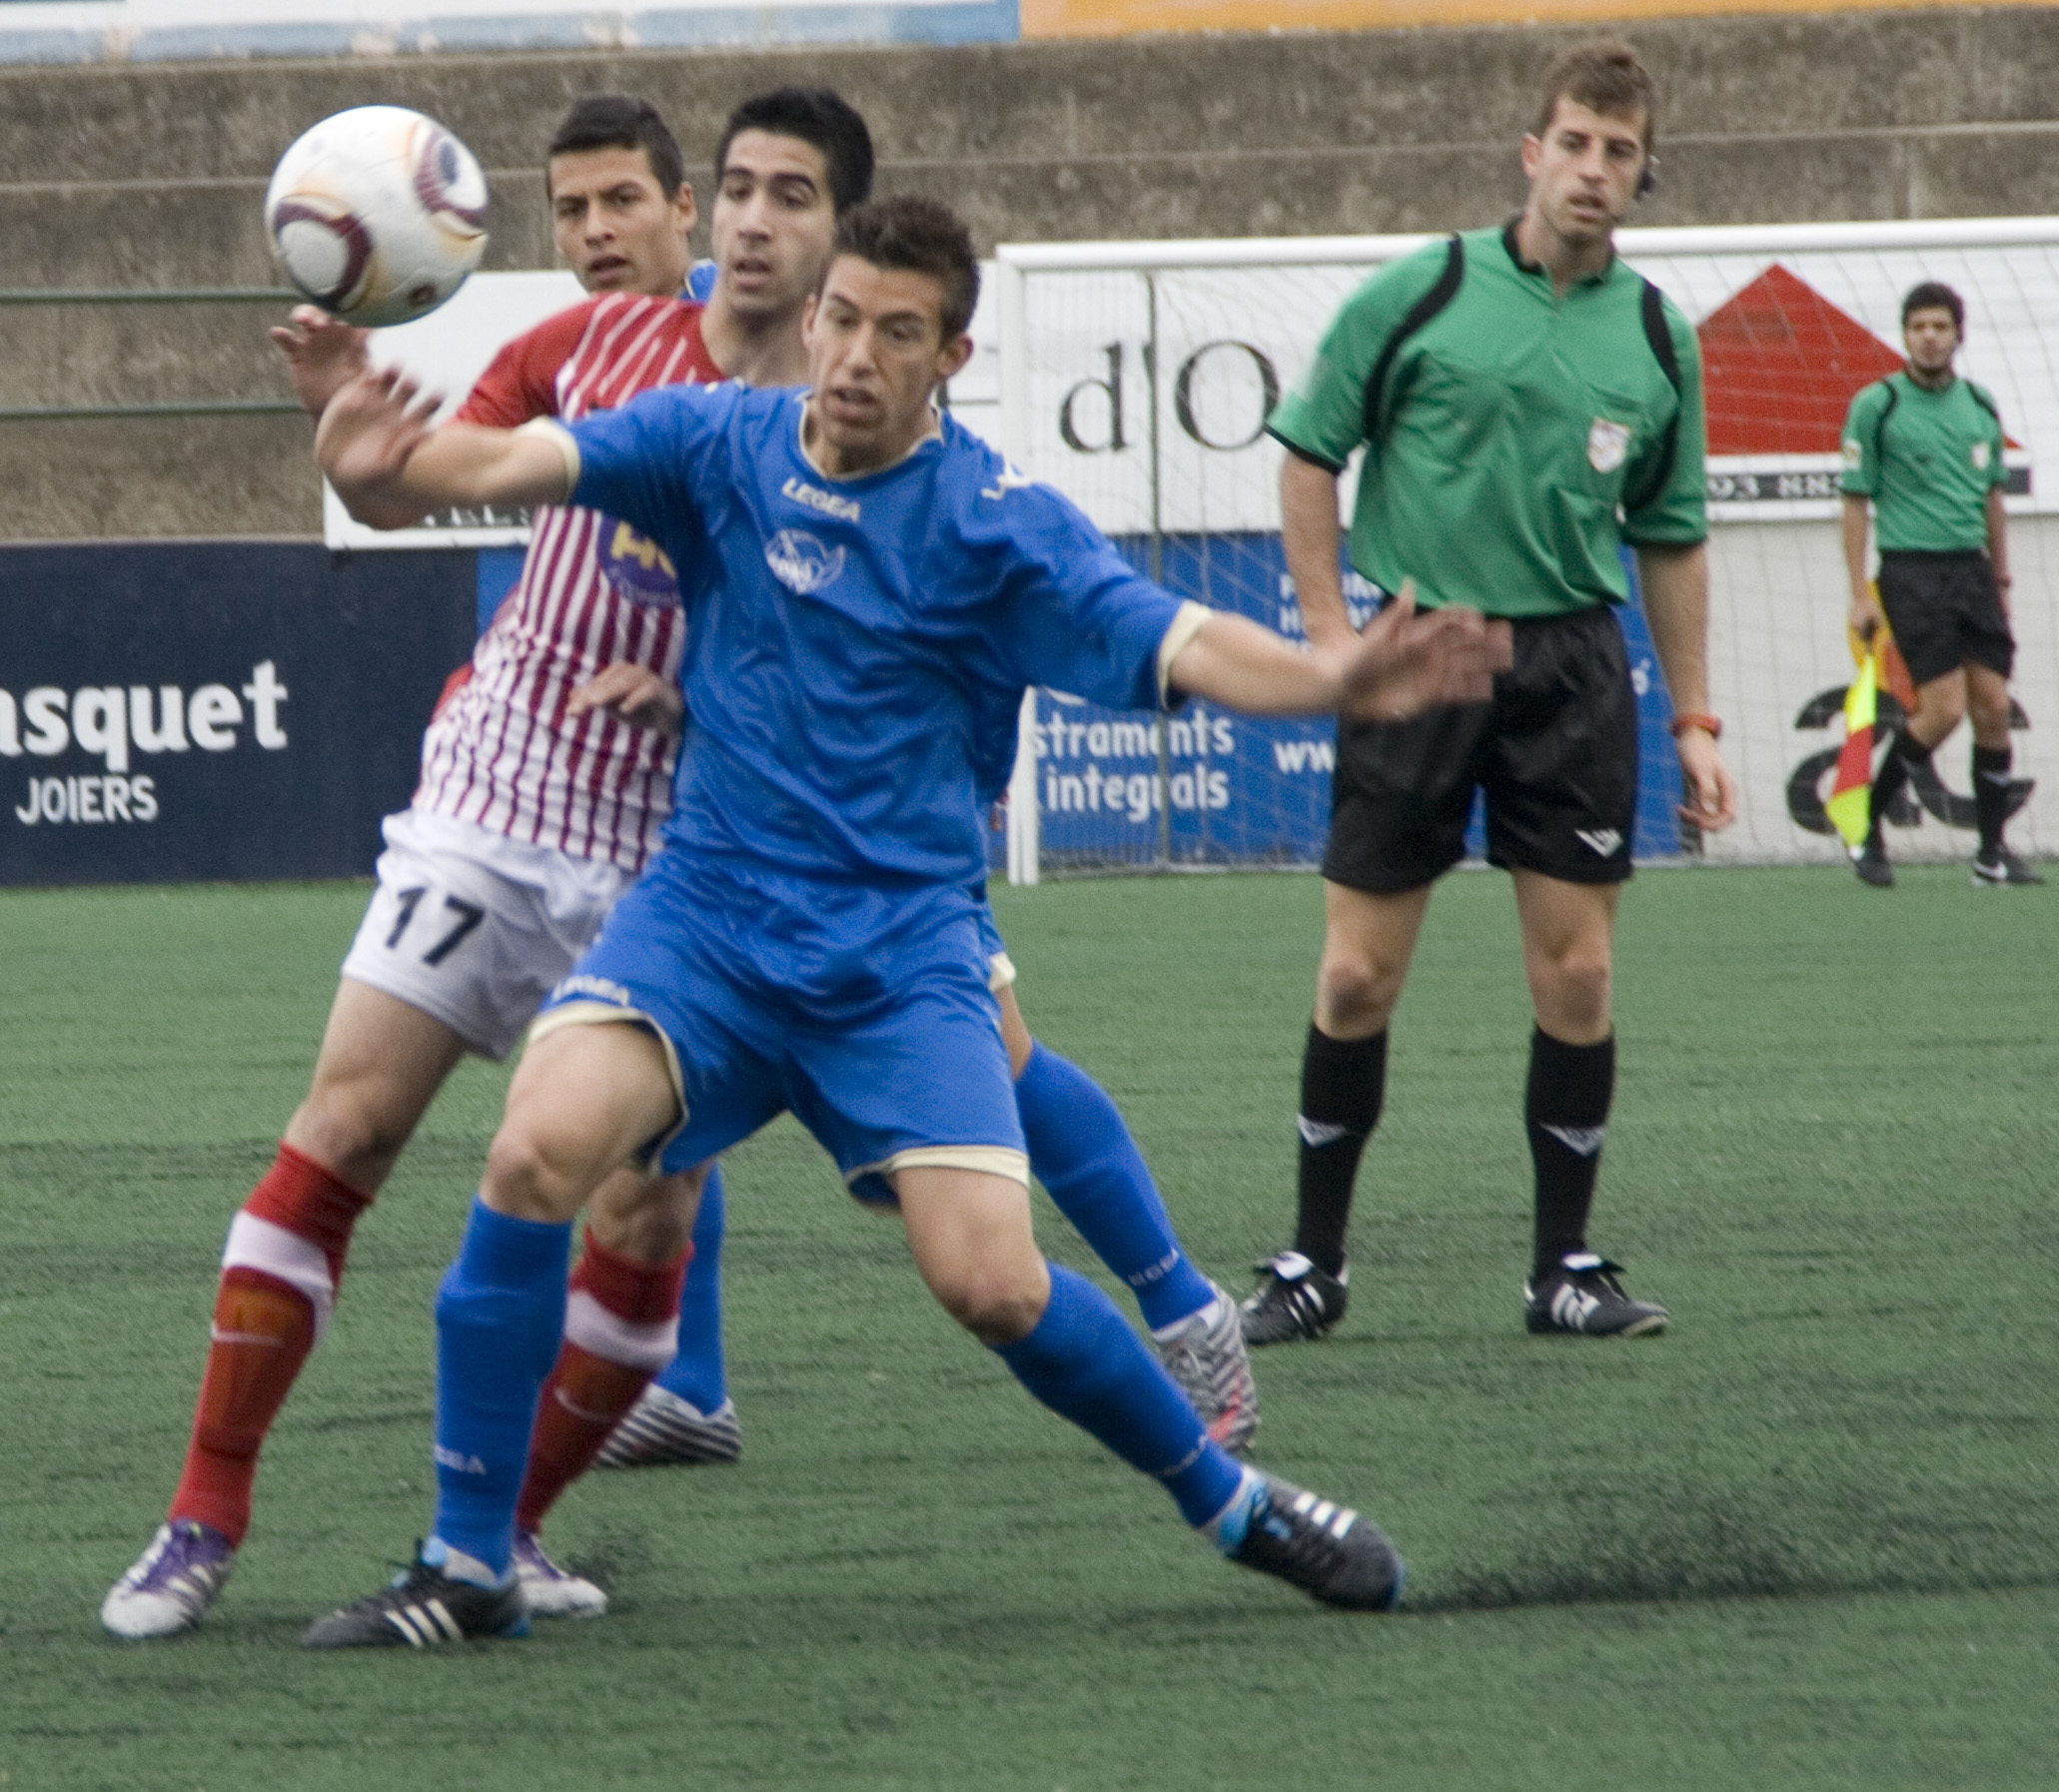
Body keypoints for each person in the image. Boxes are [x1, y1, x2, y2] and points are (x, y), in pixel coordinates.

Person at [102, 95, 1250, 1641]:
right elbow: (424, 473)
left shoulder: (888, 421)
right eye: (717, 198)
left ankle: (503, 1536)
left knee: (673, 1209)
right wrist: (356, 443)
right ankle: (201, 1516)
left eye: (768, 201)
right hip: (510, 805)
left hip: (727, 852)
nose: (721, 227)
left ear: (846, 249)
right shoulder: (605, 351)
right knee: (350, 1125)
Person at [294, 194, 1511, 1645]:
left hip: (897, 961)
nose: (859, 354)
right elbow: (511, 458)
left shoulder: (997, 530)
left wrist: (1329, 681)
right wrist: (381, 475)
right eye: (844, 318)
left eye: (900, 332)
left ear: (952, 355)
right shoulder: (715, 442)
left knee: (990, 1283)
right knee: (534, 1146)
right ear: (808, 320)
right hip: (710, 925)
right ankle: (467, 1558)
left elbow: (1181, 638)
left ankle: (1232, 1502)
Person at [1238, 39, 1735, 1350]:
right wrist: (1334, 634)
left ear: (1641, 175)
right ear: (1531, 151)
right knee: (1354, 975)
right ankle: (1311, 1263)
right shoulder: (1424, 287)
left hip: (1571, 667)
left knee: (1575, 974)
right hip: (1417, 660)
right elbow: (1304, 455)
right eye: (1572, 142)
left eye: (1617, 152)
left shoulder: (1653, 335)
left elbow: (1671, 534)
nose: (1591, 169)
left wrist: (1692, 719)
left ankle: (1563, 1266)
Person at [1837, 281, 2035, 888]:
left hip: (1971, 572)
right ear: (1905, 336)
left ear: (1958, 335)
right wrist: (1858, 592)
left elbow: (1993, 498)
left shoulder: (1979, 404)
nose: (1929, 336)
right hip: (1911, 571)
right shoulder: (1878, 405)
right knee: (1943, 710)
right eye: (1919, 326)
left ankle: (1991, 855)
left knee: (1994, 708)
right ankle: (1865, 820)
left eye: (1940, 327)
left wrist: (1999, 577)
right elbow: (1854, 501)